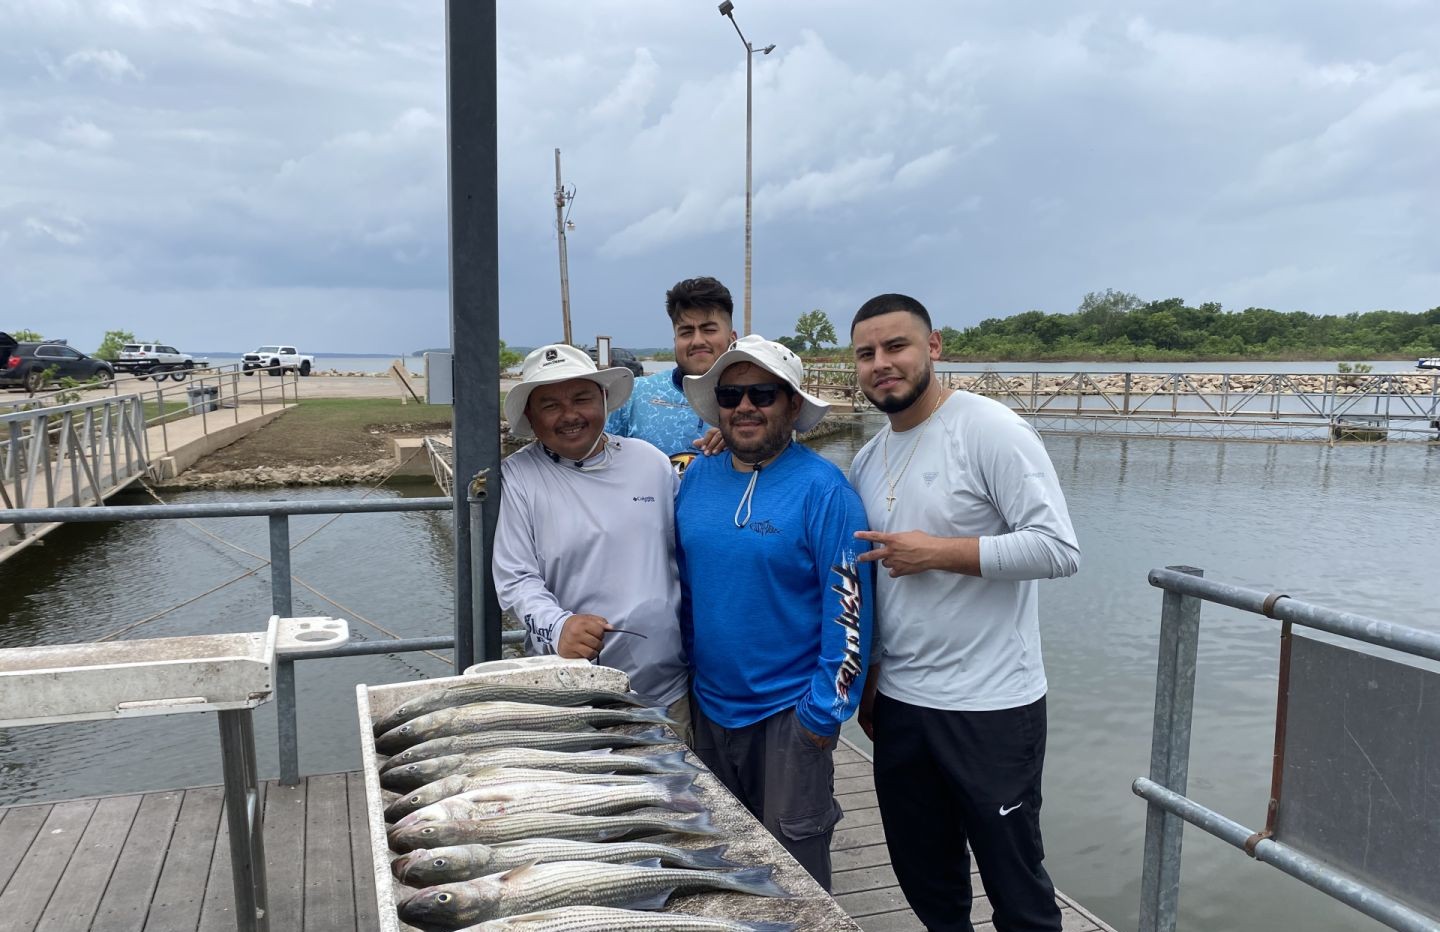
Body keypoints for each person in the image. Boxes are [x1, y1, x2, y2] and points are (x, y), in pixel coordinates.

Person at [847, 294, 1081, 932]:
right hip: (901, 704)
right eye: (866, 353)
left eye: (896, 346)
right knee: (927, 881)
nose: (881, 363)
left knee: (1017, 887)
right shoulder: (867, 458)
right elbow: (875, 588)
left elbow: (1058, 549)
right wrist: (872, 681)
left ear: (934, 347)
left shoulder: (989, 429)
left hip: (992, 706)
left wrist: (939, 552)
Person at [674, 334, 873, 891]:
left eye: (762, 394)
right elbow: (686, 589)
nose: (745, 406)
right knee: (719, 864)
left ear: (792, 404)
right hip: (709, 707)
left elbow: (849, 615)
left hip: (789, 713)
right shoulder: (697, 476)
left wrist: (821, 716)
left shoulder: (825, 491)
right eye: (731, 395)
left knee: (794, 877)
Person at [492, 343, 688, 717]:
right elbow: (515, 579)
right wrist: (557, 627)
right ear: (531, 416)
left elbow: (690, 550)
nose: (570, 415)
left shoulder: (651, 462)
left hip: (668, 690)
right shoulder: (517, 477)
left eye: (582, 399)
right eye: (550, 405)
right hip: (572, 697)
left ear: (604, 399)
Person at [606, 276, 737, 470]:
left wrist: (738, 438)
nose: (697, 341)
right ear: (675, 340)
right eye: (686, 332)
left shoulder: (754, 401)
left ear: (732, 338)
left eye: (709, 330)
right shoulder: (634, 395)